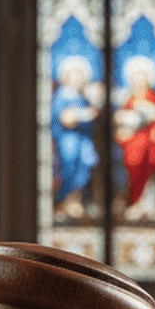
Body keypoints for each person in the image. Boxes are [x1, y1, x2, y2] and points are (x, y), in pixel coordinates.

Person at [52, 55, 102, 220]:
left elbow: (93, 118)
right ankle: (65, 201)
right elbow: (63, 118)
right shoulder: (62, 95)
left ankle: (78, 200)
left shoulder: (83, 98)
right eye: (74, 75)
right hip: (68, 140)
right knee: (69, 164)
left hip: (83, 141)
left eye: (80, 75)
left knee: (84, 168)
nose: (77, 79)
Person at [114, 55, 155, 219]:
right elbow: (120, 118)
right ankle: (132, 202)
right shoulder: (128, 97)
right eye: (135, 76)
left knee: (147, 169)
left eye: (142, 76)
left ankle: (146, 204)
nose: (139, 80)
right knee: (129, 167)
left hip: (148, 141)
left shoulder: (153, 96)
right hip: (129, 143)